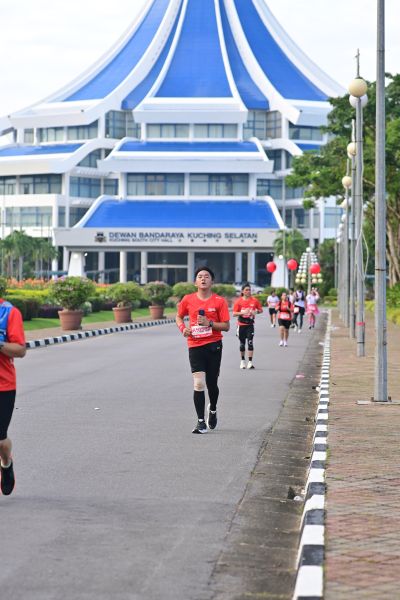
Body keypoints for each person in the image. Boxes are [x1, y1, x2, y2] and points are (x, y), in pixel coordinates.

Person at [176, 267, 230, 434]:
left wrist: (209, 323)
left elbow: (226, 326)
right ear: (195, 282)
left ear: (212, 281)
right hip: (195, 345)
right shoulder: (188, 299)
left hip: (214, 345)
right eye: (200, 276)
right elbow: (178, 316)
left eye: (207, 276)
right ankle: (200, 422)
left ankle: (212, 409)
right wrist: (183, 328)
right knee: (199, 383)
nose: (203, 279)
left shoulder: (219, 301)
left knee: (212, 384)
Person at [0, 282, 27, 497]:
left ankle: (6, 462)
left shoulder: (9, 313)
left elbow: (20, 350)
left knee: (1, 440)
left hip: (3, 385)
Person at [232, 283, 263, 370]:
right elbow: (234, 313)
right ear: (242, 291)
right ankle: (242, 361)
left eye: (249, 290)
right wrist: (242, 312)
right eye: (246, 290)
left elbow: (261, 310)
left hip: (250, 325)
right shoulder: (238, 301)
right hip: (241, 325)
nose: (248, 291)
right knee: (242, 344)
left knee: (250, 343)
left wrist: (256, 312)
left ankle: (250, 362)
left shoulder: (254, 301)